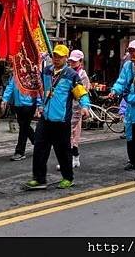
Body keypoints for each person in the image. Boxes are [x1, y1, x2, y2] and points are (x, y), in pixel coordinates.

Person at [25, 44, 90, 190]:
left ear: (66, 58)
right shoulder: (47, 71)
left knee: (63, 151)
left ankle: (68, 177)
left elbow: (81, 93)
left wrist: (85, 106)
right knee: (39, 149)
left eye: (60, 56)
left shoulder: (72, 75)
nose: (56, 59)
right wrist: (39, 106)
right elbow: (42, 90)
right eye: (55, 56)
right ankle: (39, 179)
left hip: (61, 120)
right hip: (46, 118)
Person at [108, 39, 135, 171]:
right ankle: (133, 160)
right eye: (130, 50)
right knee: (130, 133)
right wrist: (114, 91)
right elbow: (121, 81)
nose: (132, 53)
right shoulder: (127, 65)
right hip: (130, 103)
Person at [1, 68, 38, 161]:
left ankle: (20, 151)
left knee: (23, 128)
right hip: (18, 104)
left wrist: (39, 105)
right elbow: (10, 87)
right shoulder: (15, 74)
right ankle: (38, 143)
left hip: (29, 105)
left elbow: (38, 90)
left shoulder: (32, 74)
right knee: (24, 125)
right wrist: (4, 99)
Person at [67, 50, 91, 169]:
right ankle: (71, 158)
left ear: (80, 62)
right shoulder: (66, 72)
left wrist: (84, 107)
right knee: (68, 135)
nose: (72, 63)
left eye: (74, 61)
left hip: (77, 108)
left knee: (74, 134)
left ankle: (73, 158)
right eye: (71, 61)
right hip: (67, 107)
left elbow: (84, 93)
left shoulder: (82, 75)